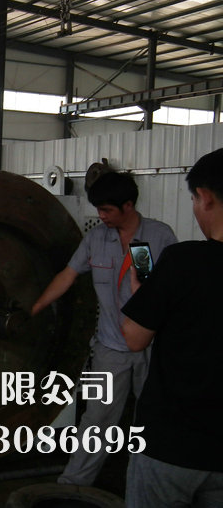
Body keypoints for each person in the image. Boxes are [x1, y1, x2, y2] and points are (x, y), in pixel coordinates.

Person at [31, 171, 177, 486]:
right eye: (98, 209)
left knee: (153, 419)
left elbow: (173, 294)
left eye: (107, 210)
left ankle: (147, 485)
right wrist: (35, 308)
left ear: (128, 205)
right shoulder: (96, 239)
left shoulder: (160, 237)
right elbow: (68, 275)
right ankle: (73, 484)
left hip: (153, 348)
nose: (101, 216)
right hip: (110, 349)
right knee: (97, 419)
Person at [121, 149, 223, 507]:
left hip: (171, 446)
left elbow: (134, 337)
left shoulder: (184, 261)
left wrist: (142, 294)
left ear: (205, 197)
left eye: (193, 199)